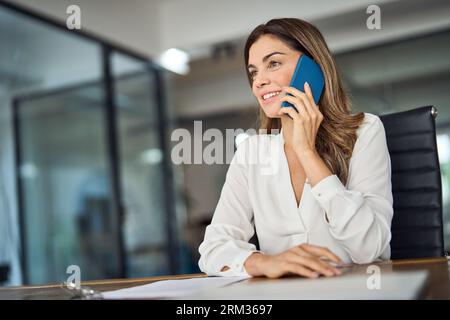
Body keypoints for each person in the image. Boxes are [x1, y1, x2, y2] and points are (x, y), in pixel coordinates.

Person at [198, 18, 393, 279]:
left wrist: (306, 152)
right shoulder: (251, 153)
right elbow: (213, 249)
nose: (259, 82)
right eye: (254, 72)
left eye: (273, 63)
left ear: (312, 68)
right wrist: (264, 263)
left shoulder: (365, 131)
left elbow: (368, 248)